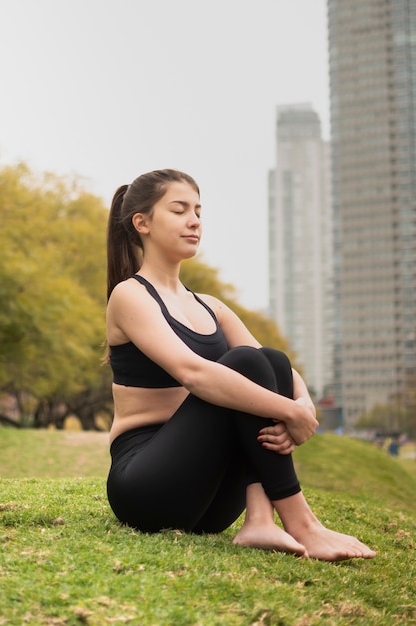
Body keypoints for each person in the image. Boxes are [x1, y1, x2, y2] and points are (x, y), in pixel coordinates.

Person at [105, 169, 376, 561]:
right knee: (247, 362)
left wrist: (304, 406)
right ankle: (303, 525)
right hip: (146, 486)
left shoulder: (210, 306)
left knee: (272, 360)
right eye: (179, 210)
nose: (195, 220)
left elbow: (280, 371)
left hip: (210, 504)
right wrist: (286, 411)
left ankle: (261, 520)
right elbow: (193, 373)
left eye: (198, 210)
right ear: (142, 223)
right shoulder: (130, 296)